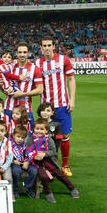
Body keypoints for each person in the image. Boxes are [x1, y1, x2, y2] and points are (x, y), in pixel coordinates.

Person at [35, 36, 76, 177]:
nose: (46, 48)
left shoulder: (63, 59)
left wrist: (72, 99)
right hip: (45, 108)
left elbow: (71, 79)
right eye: (44, 45)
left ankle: (65, 165)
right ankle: (51, 162)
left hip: (62, 104)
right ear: (40, 48)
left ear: (54, 46)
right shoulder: (38, 63)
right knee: (45, 135)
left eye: (49, 45)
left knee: (64, 134)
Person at [25, 118, 79, 203]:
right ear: (34, 129)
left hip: (47, 160)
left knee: (59, 173)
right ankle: (48, 193)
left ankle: (72, 188)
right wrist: (34, 156)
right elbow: (27, 151)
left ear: (46, 130)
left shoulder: (48, 139)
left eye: (42, 129)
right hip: (35, 163)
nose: (39, 131)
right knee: (43, 176)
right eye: (37, 129)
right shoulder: (31, 139)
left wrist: (44, 154)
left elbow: (53, 151)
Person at [4, 41, 43, 128]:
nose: (22, 54)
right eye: (20, 52)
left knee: (28, 135)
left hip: (26, 108)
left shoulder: (35, 69)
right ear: (16, 53)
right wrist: (5, 90)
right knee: (8, 135)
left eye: (24, 52)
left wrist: (23, 94)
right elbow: (2, 83)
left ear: (28, 53)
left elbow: (40, 89)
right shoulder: (10, 68)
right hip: (9, 107)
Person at [10, 125, 37, 199]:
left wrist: (27, 161)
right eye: (18, 136)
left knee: (34, 170)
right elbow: (6, 155)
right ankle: (15, 190)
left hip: (25, 162)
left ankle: (28, 188)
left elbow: (30, 153)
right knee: (16, 171)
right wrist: (13, 161)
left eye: (22, 138)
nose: (20, 139)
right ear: (14, 135)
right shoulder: (9, 144)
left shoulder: (26, 144)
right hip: (14, 163)